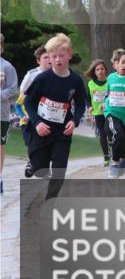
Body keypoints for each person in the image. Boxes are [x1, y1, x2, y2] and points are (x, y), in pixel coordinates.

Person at [23, 33, 87, 199]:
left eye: (61, 55)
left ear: (69, 56)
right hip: (42, 129)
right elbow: (29, 102)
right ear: (49, 58)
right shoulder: (42, 78)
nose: (58, 59)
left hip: (62, 131)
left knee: (60, 168)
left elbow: (80, 104)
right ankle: (33, 164)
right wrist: (37, 123)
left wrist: (74, 121)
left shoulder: (76, 80)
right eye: (53, 56)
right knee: (39, 170)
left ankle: (50, 200)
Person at [18, 46, 51, 176]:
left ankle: (43, 167)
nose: (49, 60)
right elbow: (21, 98)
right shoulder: (32, 75)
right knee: (33, 145)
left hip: (47, 117)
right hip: (30, 119)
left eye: (50, 57)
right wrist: (24, 115)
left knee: (47, 144)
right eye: (45, 57)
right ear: (38, 61)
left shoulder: (57, 73)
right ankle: (33, 163)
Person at [84, 59, 111, 167]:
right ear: (94, 72)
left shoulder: (110, 82)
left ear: (106, 70)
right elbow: (87, 98)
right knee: (102, 133)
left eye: (102, 69)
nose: (100, 71)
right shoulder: (91, 83)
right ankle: (106, 156)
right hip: (97, 112)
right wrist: (89, 106)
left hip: (109, 111)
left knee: (109, 130)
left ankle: (113, 147)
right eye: (97, 69)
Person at [0, 34, 18, 194]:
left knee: (0, 146)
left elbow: (13, 88)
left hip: (1, 114)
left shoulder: (7, 67)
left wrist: (0, 95)